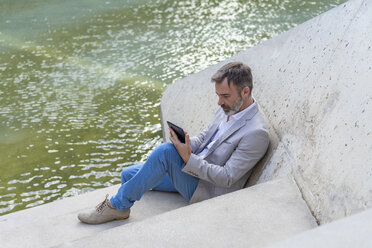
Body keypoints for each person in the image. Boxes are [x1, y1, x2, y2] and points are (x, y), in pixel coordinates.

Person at [78, 62, 269, 224]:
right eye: (218, 95)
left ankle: (118, 206)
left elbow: (227, 177)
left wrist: (187, 158)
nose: (219, 102)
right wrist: (185, 142)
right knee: (127, 174)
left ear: (245, 91)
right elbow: (205, 138)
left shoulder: (256, 133)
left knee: (165, 153)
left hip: (208, 190)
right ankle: (129, 196)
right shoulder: (227, 107)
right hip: (192, 171)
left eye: (225, 96)